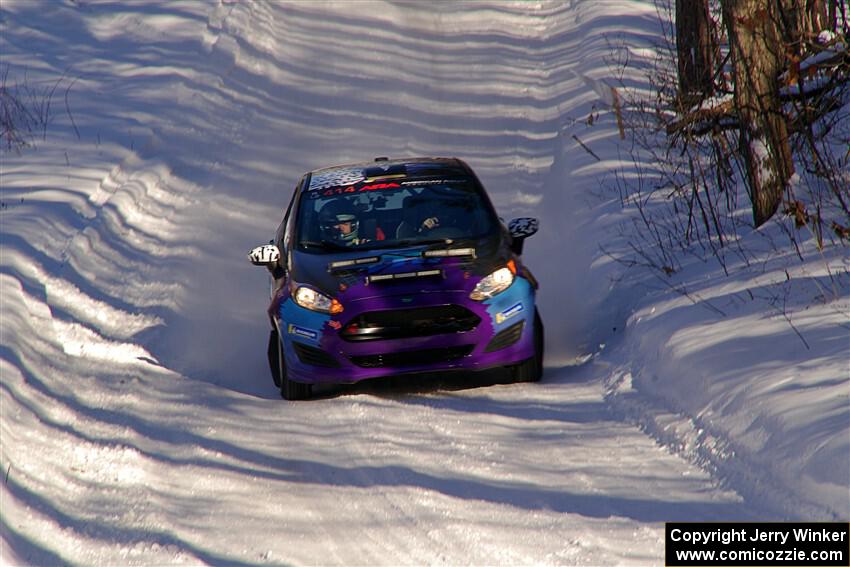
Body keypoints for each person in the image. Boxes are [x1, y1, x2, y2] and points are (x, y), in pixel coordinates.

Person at [318, 199, 384, 246]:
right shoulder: (317, 248)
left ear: (354, 224)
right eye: (335, 224)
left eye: (345, 224)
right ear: (328, 227)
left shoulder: (370, 244)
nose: (341, 228)